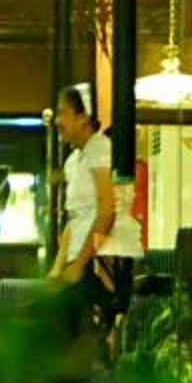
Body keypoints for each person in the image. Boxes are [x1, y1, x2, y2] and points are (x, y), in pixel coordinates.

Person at [45, 81, 142, 351]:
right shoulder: (73, 160)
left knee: (90, 337)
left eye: (63, 113)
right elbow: (74, 218)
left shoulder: (101, 150)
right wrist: (58, 267)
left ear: (84, 117)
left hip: (106, 256)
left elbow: (106, 211)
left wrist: (80, 265)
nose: (57, 121)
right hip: (82, 256)